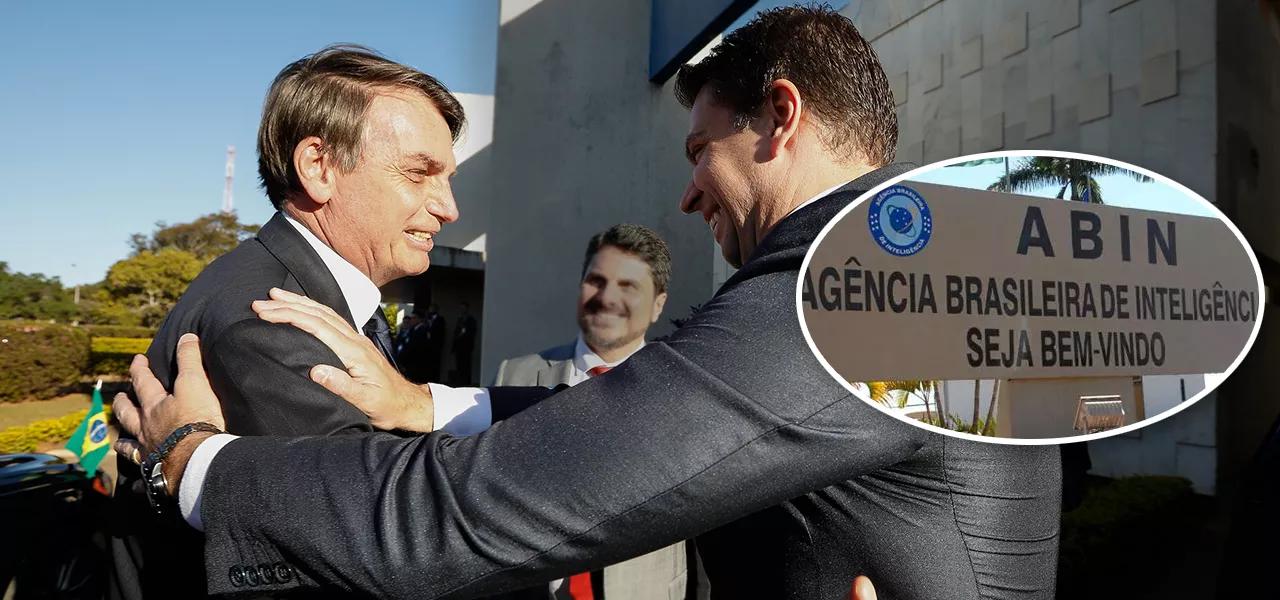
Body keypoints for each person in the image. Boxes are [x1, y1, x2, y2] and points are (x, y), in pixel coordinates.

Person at [114, 7, 1061, 599]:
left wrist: (195, 461)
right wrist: (423, 405)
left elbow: (464, 515)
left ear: (780, 118)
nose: (688, 194)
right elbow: (647, 415)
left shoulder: (857, 292)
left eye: (700, 152)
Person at [106, 44, 467, 599]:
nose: (448, 207)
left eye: (447, 178)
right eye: (419, 173)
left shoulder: (312, 298)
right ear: (319, 167)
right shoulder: (270, 322)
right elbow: (374, 539)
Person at [492, 224, 692, 599]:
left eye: (628, 286)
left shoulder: (684, 390)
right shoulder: (514, 376)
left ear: (658, 305)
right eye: (596, 281)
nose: (606, 298)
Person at [453, 301, 479, 384]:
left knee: (466, 364)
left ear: (467, 309)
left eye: (463, 308)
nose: (462, 310)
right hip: (459, 346)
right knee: (459, 364)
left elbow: (473, 332)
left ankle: (466, 381)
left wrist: (465, 332)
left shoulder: (471, 320)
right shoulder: (459, 319)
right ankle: (460, 381)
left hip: (467, 346)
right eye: (461, 308)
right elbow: (456, 332)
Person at [424, 303, 448, 381]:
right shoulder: (427, 319)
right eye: (430, 308)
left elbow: (441, 332)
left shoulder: (440, 319)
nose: (431, 310)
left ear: (436, 309)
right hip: (428, 345)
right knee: (428, 363)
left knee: (436, 363)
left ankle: (436, 380)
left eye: (432, 308)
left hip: (436, 345)